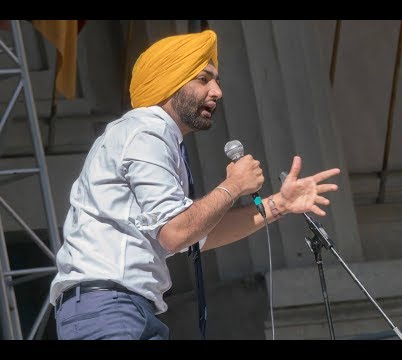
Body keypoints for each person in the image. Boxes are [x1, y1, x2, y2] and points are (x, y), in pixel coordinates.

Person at [50, 29, 341, 340]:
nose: (217, 91)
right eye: (203, 79)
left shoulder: (153, 138)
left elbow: (196, 235)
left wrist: (277, 205)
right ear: (169, 82)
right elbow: (177, 233)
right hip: (110, 307)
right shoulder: (147, 131)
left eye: (215, 80)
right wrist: (233, 186)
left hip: (124, 308)